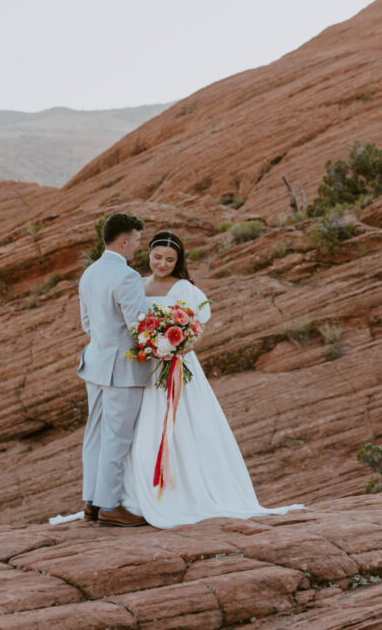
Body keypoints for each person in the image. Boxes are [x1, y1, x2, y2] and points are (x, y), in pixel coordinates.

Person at [119, 230, 302, 528]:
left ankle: (181, 494)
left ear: (177, 261)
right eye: (157, 257)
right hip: (145, 367)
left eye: (169, 259)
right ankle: (139, 497)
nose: (162, 264)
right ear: (148, 255)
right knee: (141, 429)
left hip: (175, 367)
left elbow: (195, 327)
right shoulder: (137, 284)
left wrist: (175, 344)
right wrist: (148, 343)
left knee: (180, 427)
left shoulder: (184, 288)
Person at [76, 213, 152, 526]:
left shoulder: (89, 273)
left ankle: (91, 502)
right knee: (117, 437)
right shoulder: (127, 277)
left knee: (94, 433)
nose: (137, 246)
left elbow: (86, 323)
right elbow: (140, 326)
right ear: (123, 240)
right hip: (122, 368)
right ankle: (109, 506)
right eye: (136, 240)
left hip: (94, 363)